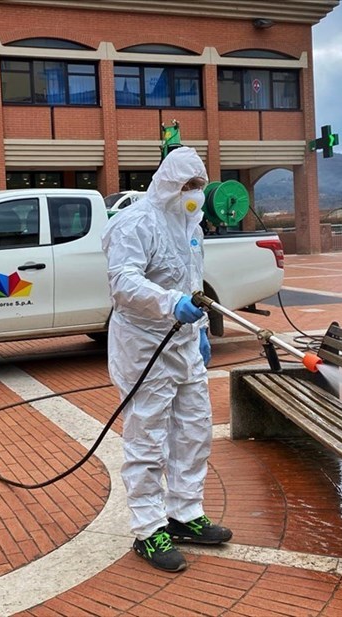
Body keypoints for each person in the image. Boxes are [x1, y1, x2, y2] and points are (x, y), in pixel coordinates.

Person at [101, 146, 232, 572]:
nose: (195, 194)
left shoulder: (191, 222)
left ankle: (184, 514)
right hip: (144, 345)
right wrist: (170, 303)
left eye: (199, 185)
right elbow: (123, 283)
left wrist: (196, 332)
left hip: (184, 343)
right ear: (168, 185)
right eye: (187, 186)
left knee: (194, 430)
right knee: (148, 438)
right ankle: (148, 529)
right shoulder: (136, 223)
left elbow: (189, 277)